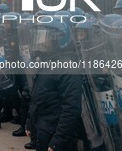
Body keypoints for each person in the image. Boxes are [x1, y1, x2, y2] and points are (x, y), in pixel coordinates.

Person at [26, 16, 83, 151]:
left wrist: (57, 142)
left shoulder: (68, 67)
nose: (41, 41)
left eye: (45, 36)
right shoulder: (46, 61)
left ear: (59, 38)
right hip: (43, 131)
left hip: (56, 137)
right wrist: (30, 123)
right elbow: (37, 97)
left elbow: (71, 109)